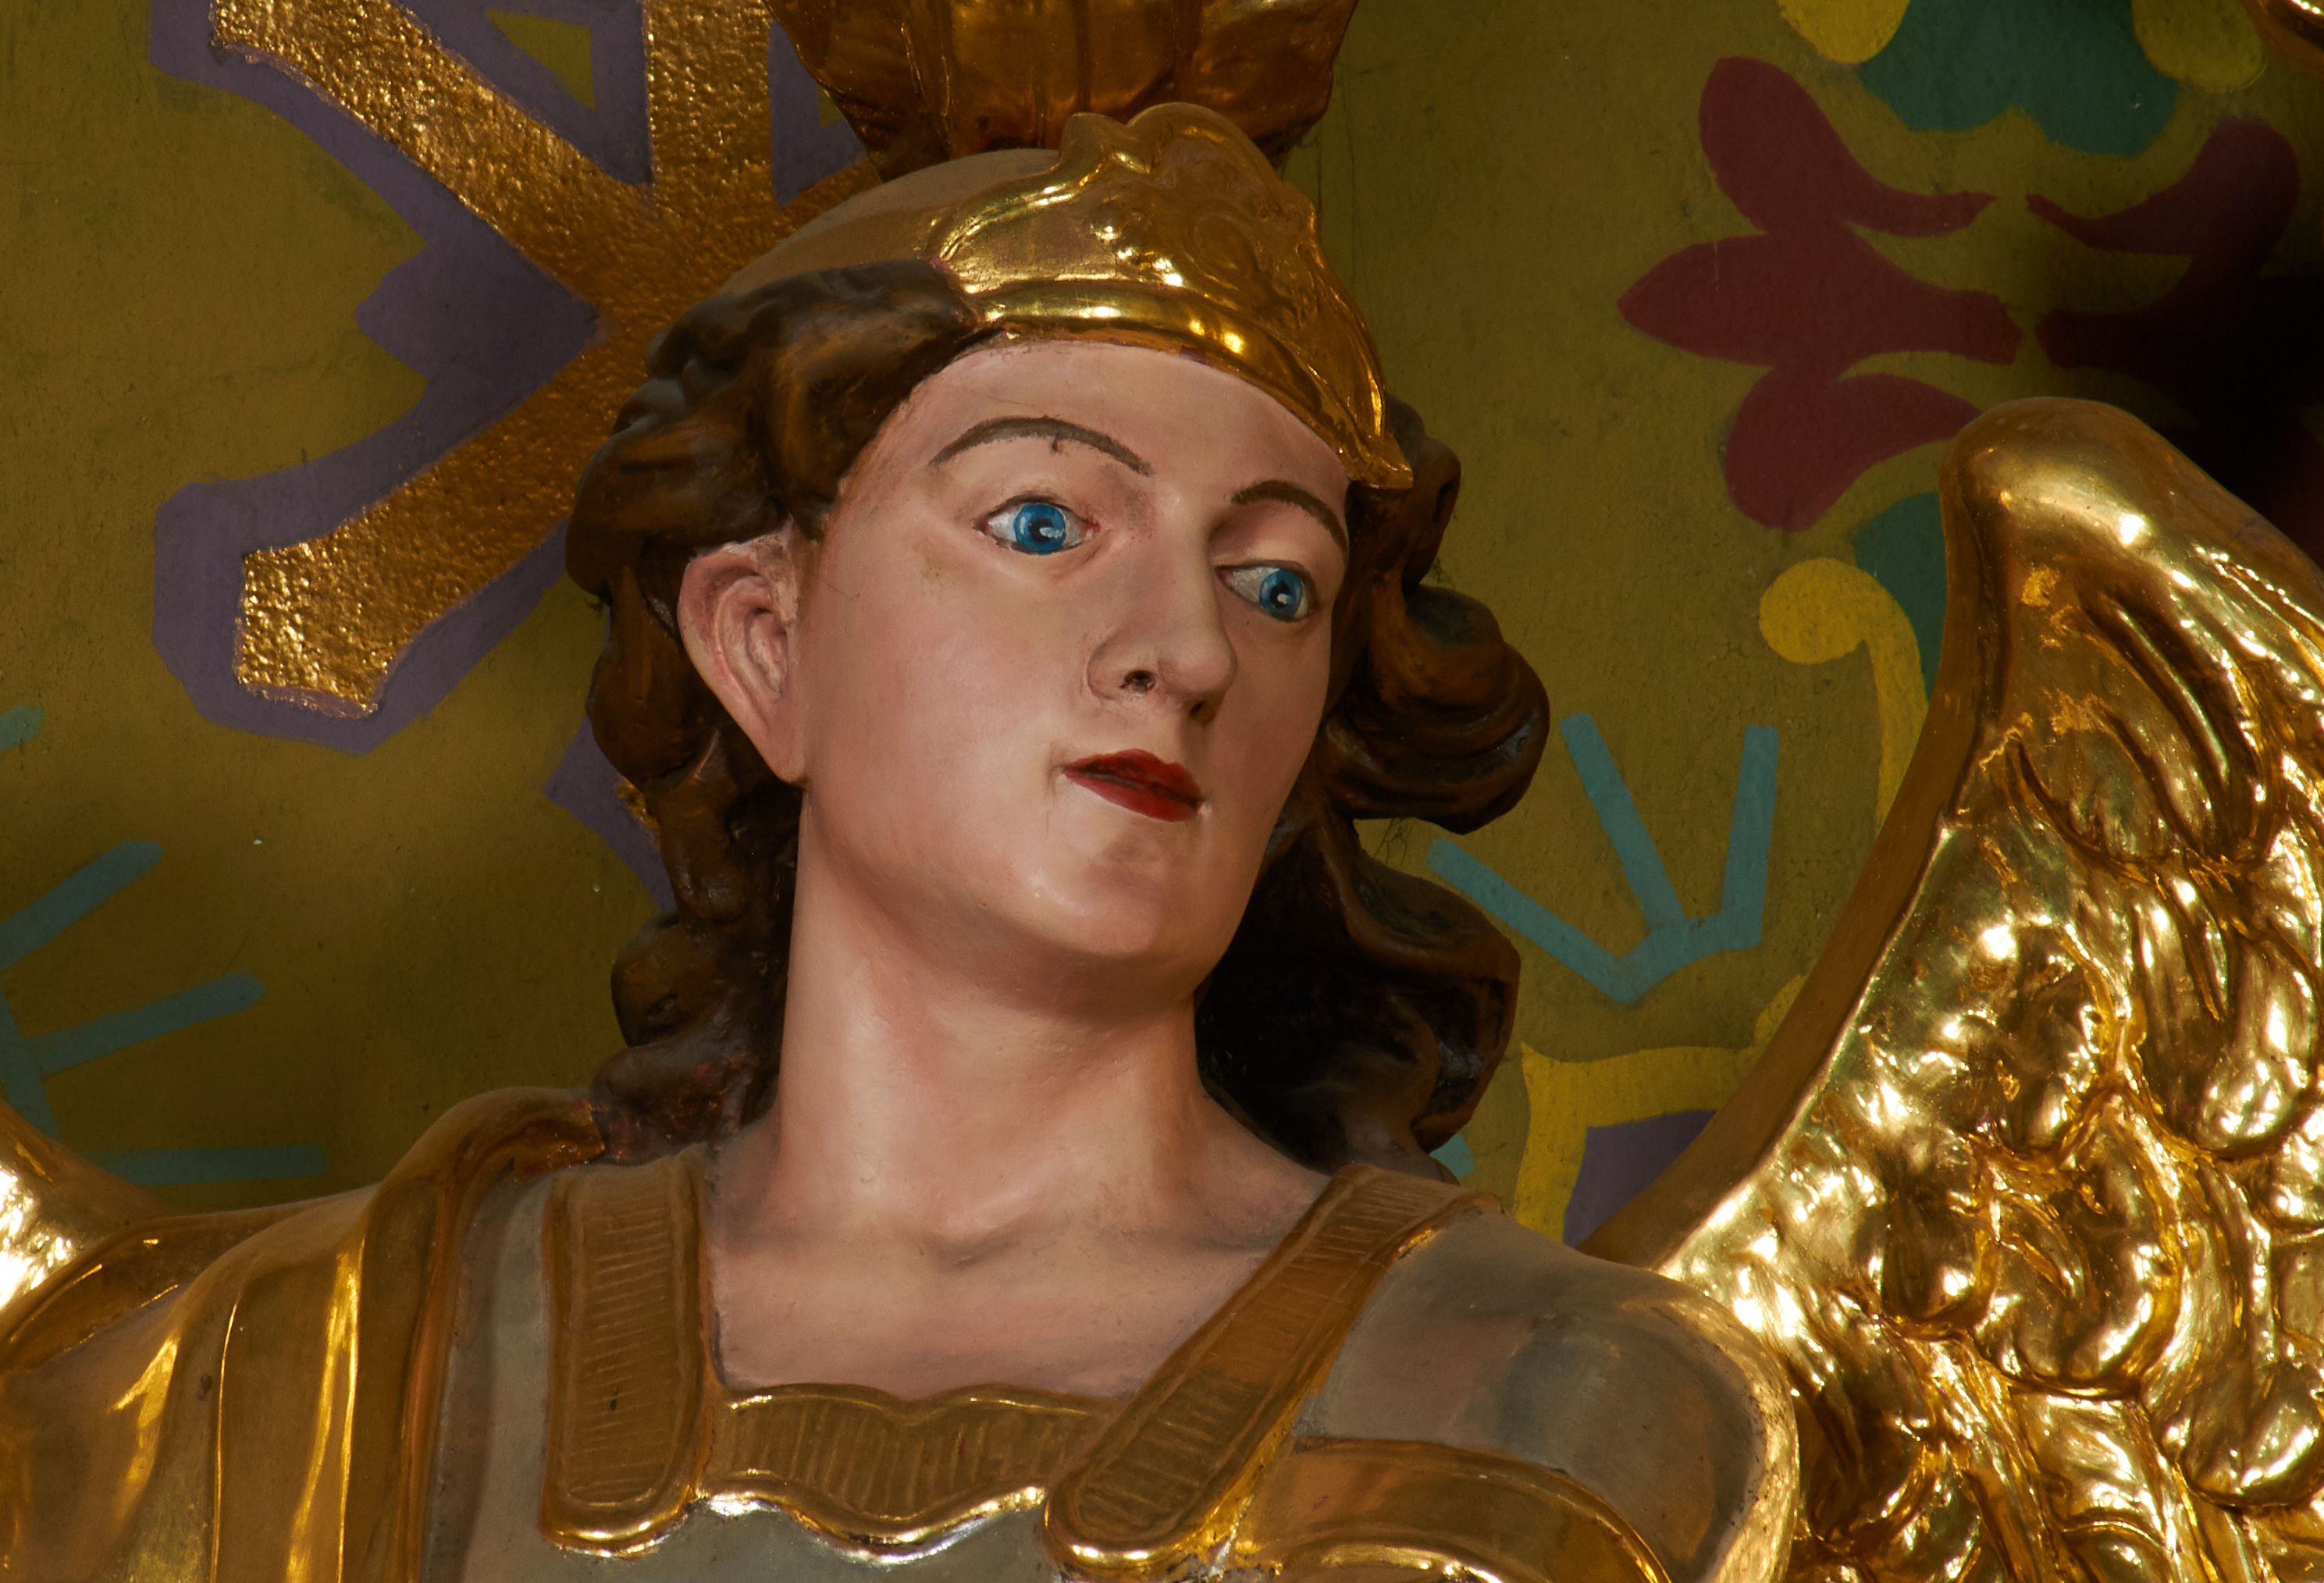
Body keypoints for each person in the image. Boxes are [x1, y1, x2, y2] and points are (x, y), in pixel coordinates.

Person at [0, 107, 1794, 1583]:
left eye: (1275, 583)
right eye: (1043, 521)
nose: (1185, 648)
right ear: (764, 642)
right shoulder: (315, 1376)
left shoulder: (1561, 1405)